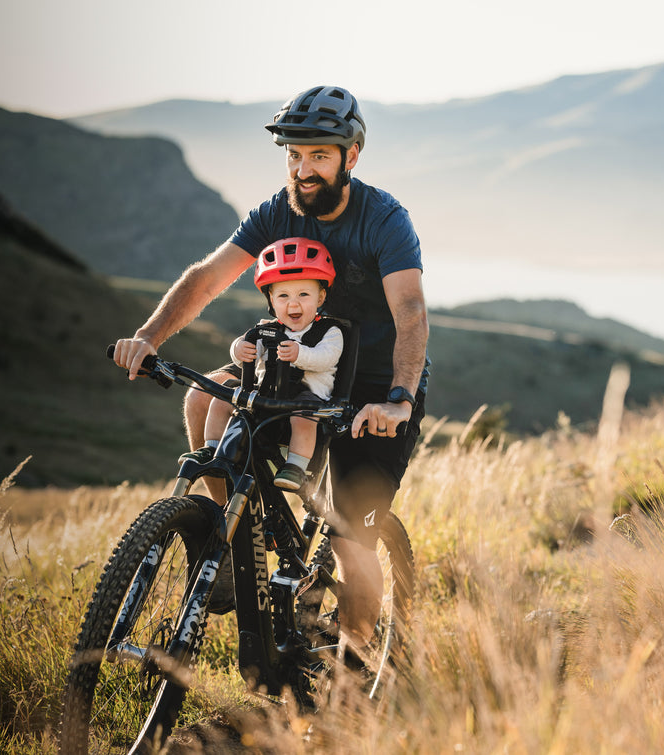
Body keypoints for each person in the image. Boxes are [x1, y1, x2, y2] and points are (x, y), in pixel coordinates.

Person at [111, 84, 428, 666]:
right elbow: (208, 277)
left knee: (351, 541)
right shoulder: (277, 211)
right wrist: (148, 336)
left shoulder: (384, 220)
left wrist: (400, 398)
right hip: (291, 372)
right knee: (202, 401)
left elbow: (409, 312)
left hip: (373, 388)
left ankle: (354, 680)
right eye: (294, 155)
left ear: (351, 156)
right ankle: (234, 546)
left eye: (319, 156)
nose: (303, 170)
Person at [181, 237, 343, 492]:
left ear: (320, 297)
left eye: (304, 294)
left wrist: (300, 353)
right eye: (283, 296)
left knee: (304, 417)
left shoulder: (330, 332)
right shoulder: (267, 329)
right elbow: (248, 348)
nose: (293, 303)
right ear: (271, 300)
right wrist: (239, 349)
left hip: (305, 397)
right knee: (223, 397)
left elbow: (327, 358)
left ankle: (295, 466)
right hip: (264, 394)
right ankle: (211, 448)